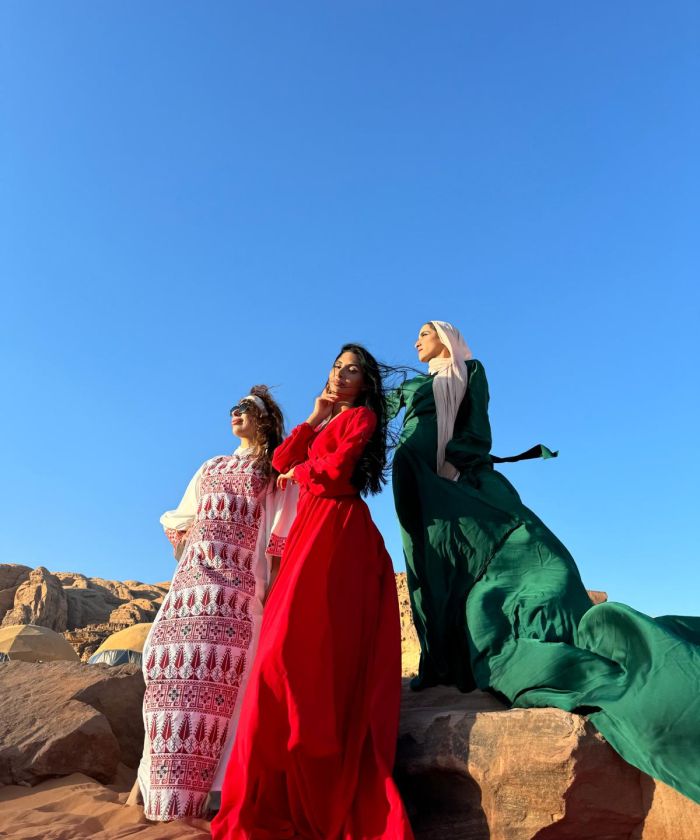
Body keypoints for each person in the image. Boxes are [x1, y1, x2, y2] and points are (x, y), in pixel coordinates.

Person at [390, 320, 700, 804]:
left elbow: (475, 426)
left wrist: (458, 467)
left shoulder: (469, 371)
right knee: (429, 569)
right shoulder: (413, 386)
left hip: (454, 483)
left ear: (446, 338)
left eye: (424, 333)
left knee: (503, 561)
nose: (416, 342)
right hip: (418, 491)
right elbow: (373, 407)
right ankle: (444, 654)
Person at [212, 345, 414, 840]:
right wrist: (314, 416)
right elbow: (280, 457)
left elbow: (334, 474)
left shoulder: (363, 417)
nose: (341, 376)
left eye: (351, 370)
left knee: (297, 652)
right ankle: (284, 782)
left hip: (340, 534)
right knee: (282, 654)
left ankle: (325, 780)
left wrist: (299, 472)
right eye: (336, 367)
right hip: (311, 532)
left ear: (365, 382)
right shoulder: (329, 419)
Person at [132, 386, 298, 821]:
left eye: (245, 408)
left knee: (228, 680)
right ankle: (160, 789)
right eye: (233, 409)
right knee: (168, 665)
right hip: (191, 585)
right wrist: (191, 549)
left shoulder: (273, 469)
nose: (235, 414)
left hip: (240, 590)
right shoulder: (210, 466)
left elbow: (281, 531)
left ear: (264, 418)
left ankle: (219, 791)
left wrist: (274, 588)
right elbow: (181, 518)